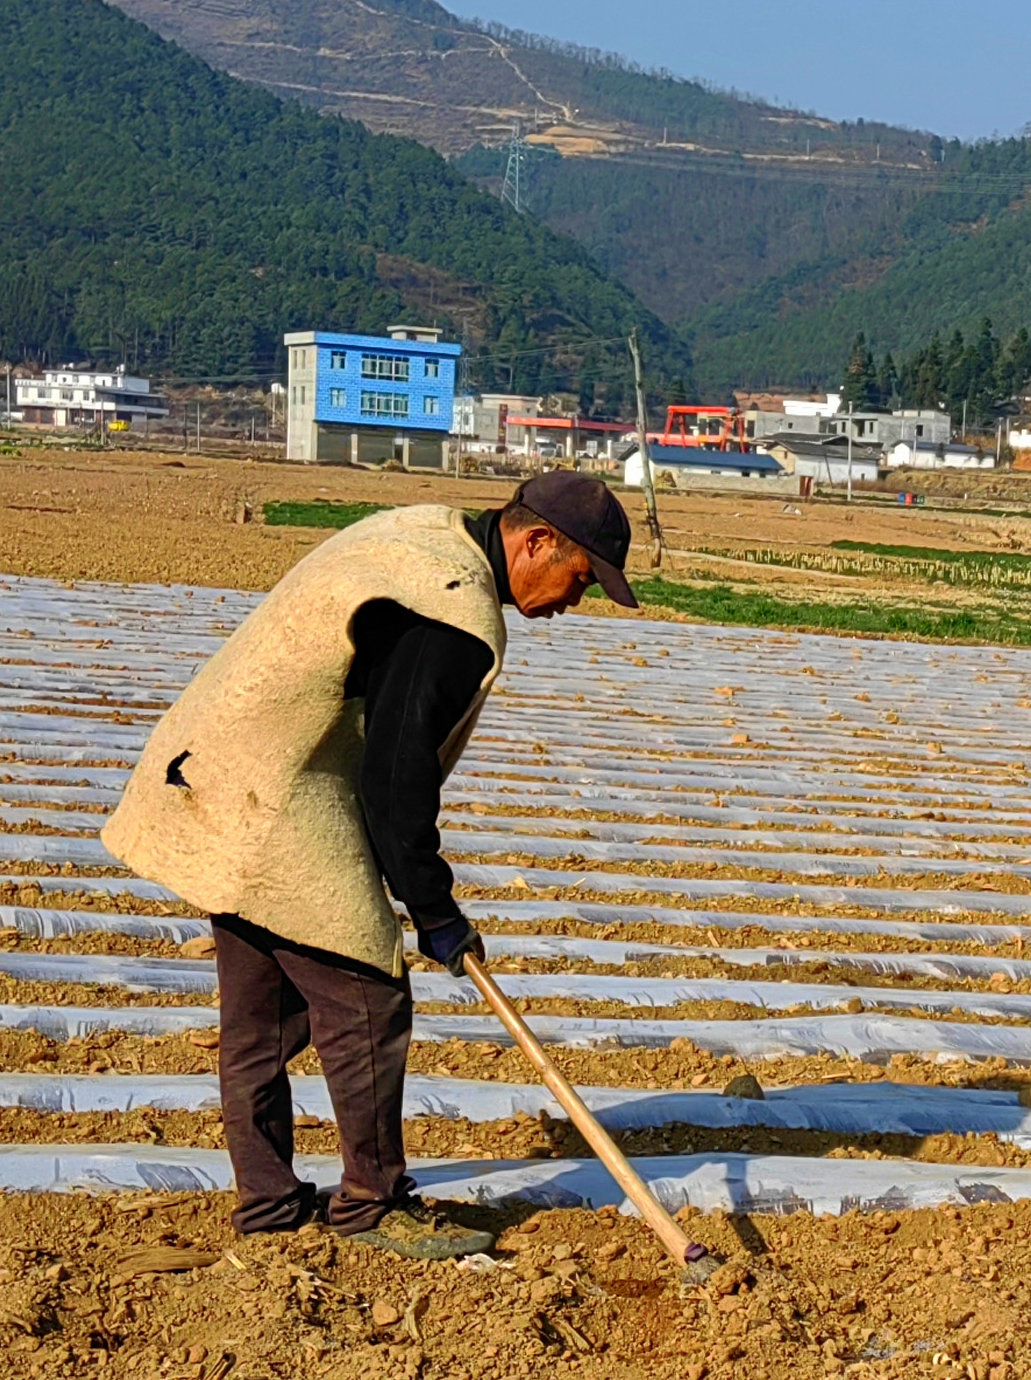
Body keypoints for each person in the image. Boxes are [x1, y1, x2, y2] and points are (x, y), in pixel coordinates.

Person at [105, 473, 640, 1256]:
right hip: (277, 789)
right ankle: (372, 1203)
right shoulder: (450, 615)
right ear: (535, 543)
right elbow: (395, 778)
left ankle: (268, 1204)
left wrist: (425, 899)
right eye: (578, 580)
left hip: (218, 764)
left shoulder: (429, 535)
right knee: (366, 992)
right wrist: (435, 912)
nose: (572, 602)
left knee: (263, 1015)